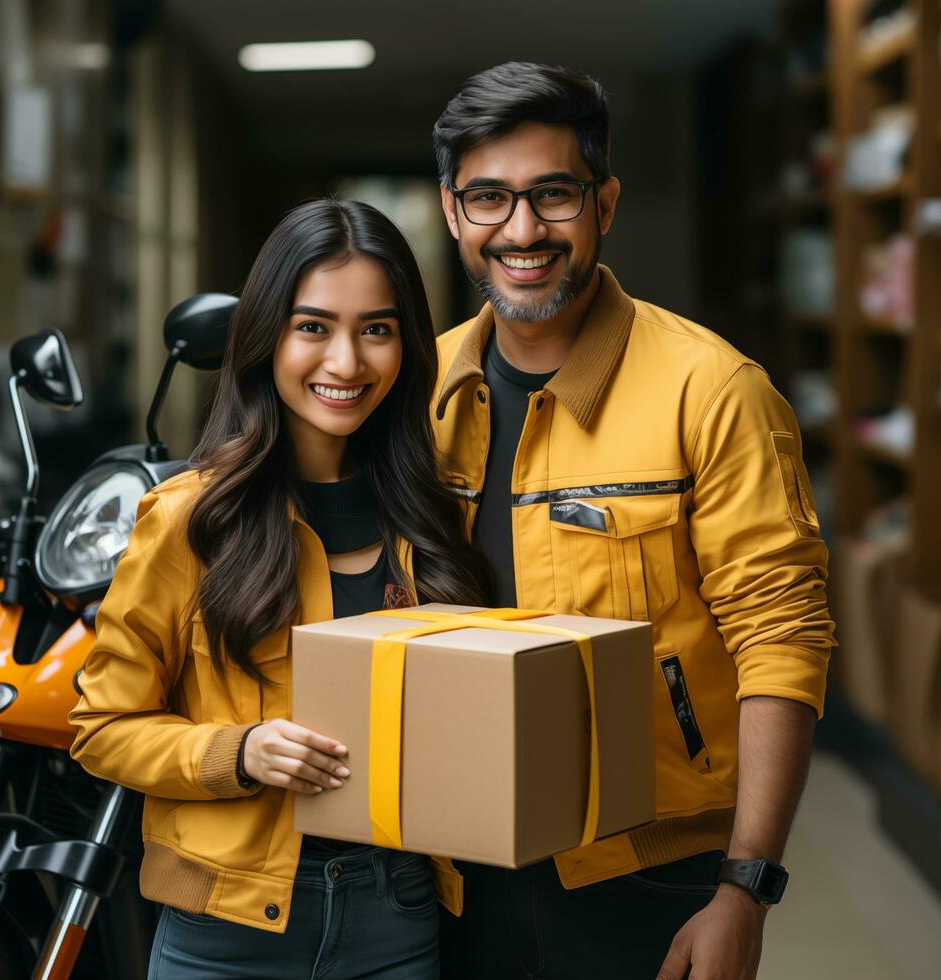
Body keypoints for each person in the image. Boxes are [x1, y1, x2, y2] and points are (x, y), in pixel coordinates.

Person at [429, 63, 836, 979]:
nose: (522, 230)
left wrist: (745, 888)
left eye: (554, 195)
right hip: (444, 866)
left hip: (649, 872)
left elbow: (783, 639)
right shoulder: (418, 386)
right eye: (489, 198)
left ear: (604, 203)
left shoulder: (714, 390)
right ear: (453, 212)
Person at [68, 198, 490, 980]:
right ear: (267, 337)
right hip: (223, 929)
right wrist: (240, 751)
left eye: (376, 329)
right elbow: (101, 727)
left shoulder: (433, 515)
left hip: (397, 913)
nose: (346, 363)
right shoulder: (193, 517)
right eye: (313, 327)